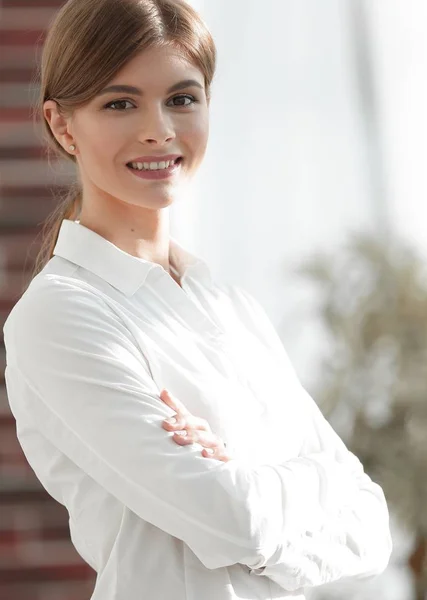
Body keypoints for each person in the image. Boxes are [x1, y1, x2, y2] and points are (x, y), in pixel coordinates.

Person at [3, 0, 392, 598]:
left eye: (182, 98)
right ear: (62, 125)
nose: (159, 128)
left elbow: (371, 525)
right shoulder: (60, 315)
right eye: (120, 102)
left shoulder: (232, 306)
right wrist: (316, 480)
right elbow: (235, 520)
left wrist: (247, 481)